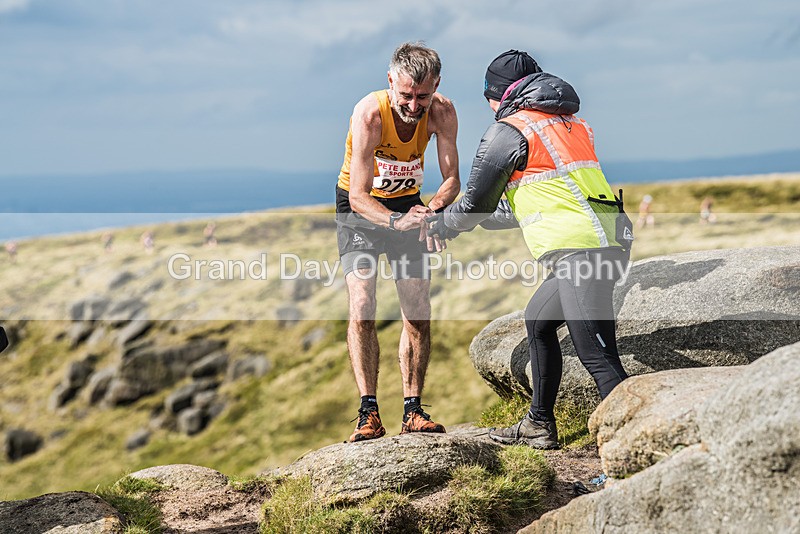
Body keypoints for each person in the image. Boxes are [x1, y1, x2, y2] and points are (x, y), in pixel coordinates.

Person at [427, 50, 630, 449]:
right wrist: (483, 214)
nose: (489, 106)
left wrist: (442, 226)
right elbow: (540, 198)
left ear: (499, 93)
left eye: (488, 96)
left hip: (580, 254)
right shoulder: (569, 124)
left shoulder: (509, 130)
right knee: (538, 321)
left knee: (598, 358)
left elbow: (475, 204)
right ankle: (539, 423)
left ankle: (635, 449)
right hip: (604, 243)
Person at [336, 42, 460, 442]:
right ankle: (367, 411)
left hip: (410, 206)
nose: (413, 104)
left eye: (422, 96)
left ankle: (413, 409)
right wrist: (396, 221)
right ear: (391, 81)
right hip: (362, 212)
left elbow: (451, 180)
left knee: (417, 308)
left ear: (436, 86)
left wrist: (432, 210)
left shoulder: (442, 112)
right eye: (405, 95)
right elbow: (357, 196)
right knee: (363, 303)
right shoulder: (370, 113)